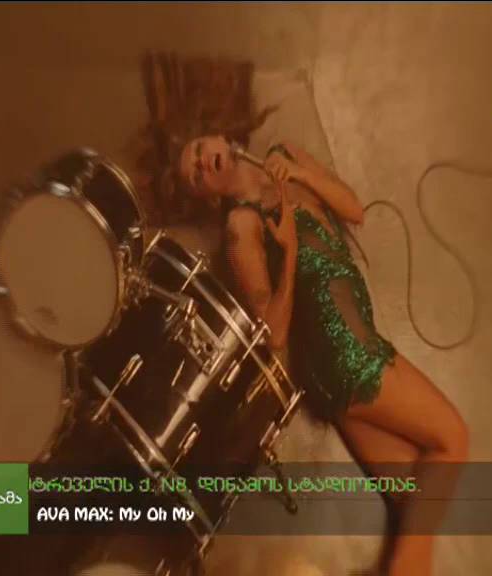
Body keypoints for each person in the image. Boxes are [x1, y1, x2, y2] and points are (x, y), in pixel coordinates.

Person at [169, 135, 469, 575]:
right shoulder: (242, 226)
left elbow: (354, 209)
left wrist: (301, 174)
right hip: (346, 353)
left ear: (217, 137)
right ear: (207, 196)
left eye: (198, 150)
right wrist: (289, 251)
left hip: (337, 371)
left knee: (415, 498)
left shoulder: (284, 154)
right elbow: (273, 333)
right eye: (195, 176)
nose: (201, 164)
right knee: (453, 437)